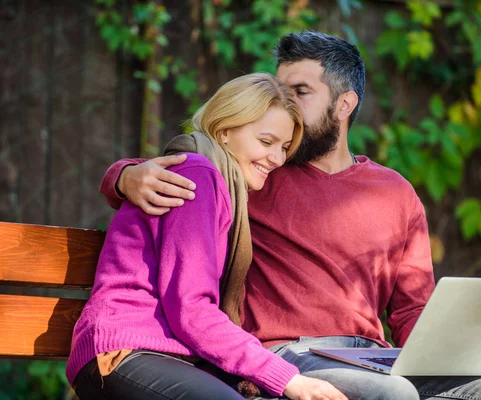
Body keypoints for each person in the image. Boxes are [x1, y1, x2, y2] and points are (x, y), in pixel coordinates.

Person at [100, 32, 481, 400]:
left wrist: (449, 361)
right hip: (290, 354)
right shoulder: (255, 174)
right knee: (391, 397)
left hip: (376, 356)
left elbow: (412, 308)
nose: (285, 105)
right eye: (281, 90)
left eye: (300, 92)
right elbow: (186, 169)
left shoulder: (396, 193)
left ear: (344, 105)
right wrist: (123, 177)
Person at [67, 72, 348, 400]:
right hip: (125, 352)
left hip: (172, 357)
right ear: (225, 131)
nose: (277, 158)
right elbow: (191, 309)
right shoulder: (197, 176)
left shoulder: (226, 187)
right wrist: (289, 379)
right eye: (266, 141)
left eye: (284, 147)